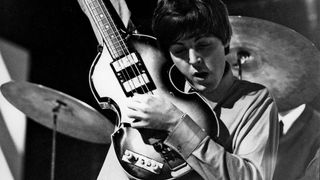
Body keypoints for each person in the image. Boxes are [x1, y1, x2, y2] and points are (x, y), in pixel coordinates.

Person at [97, 0, 279, 179]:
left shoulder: (256, 101)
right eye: (179, 50)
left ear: (225, 42)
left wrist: (175, 122)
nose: (193, 59)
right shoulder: (156, 96)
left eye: (203, 45)